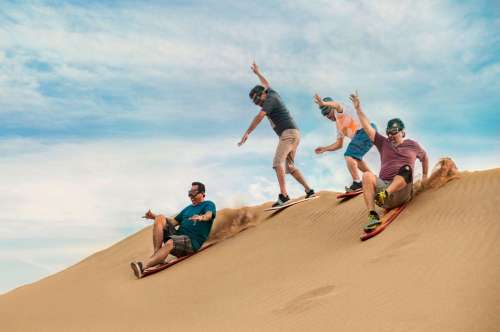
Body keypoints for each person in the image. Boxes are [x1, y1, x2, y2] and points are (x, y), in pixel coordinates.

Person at [349, 91, 429, 232]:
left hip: (402, 191)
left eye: (394, 131)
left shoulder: (413, 145)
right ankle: (372, 214)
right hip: (384, 193)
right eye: (388, 132)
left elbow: (425, 157)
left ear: (402, 132)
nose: (390, 135)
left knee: (406, 169)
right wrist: (358, 109)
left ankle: (385, 194)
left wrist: (424, 176)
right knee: (367, 175)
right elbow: (368, 128)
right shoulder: (383, 143)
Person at [238, 62, 315, 206]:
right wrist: (258, 73)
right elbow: (265, 83)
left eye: (257, 99)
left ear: (263, 94)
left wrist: (247, 133)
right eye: (254, 102)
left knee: (277, 163)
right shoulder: (271, 92)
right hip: (294, 134)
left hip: (289, 134)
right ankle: (309, 190)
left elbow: (260, 117)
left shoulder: (270, 99)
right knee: (290, 167)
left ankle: (284, 195)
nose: (257, 103)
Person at [130, 182, 216, 278]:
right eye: (190, 192)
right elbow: (174, 222)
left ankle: (143, 267)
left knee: (171, 242)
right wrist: (155, 217)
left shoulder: (208, 204)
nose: (191, 194)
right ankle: (157, 255)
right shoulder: (188, 208)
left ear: (202, 193)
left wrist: (201, 217)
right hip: (178, 236)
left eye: (194, 191)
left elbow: (209, 215)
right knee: (160, 217)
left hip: (191, 242)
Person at [313, 94, 376, 192]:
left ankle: (357, 183)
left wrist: (323, 103)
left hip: (365, 130)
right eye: (325, 114)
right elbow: (339, 144)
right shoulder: (339, 126)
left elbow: (337, 105)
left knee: (349, 155)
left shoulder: (340, 111)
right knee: (356, 159)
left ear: (332, 108)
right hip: (364, 136)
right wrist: (325, 148)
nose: (328, 116)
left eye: (328, 112)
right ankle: (375, 180)